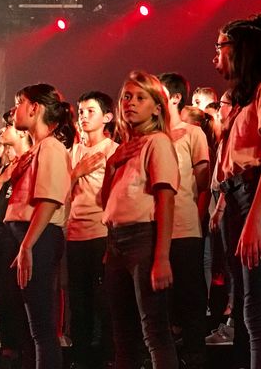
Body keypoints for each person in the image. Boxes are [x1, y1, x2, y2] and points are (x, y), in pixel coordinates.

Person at [212, 12, 261, 369]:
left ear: (240, 50)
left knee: (257, 311)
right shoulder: (240, 99)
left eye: (221, 46)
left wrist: (254, 220)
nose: (216, 55)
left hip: (259, 199)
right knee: (246, 309)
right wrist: (222, 206)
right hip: (236, 199)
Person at [101, 71, 179, 368]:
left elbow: (165, 200)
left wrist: (162, 257)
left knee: (154, 331)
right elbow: (105, 202)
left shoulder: (157, 142)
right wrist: (111, 166)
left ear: (157, 107)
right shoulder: (124, 148)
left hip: (143, 239)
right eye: (126, 96)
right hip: (116, 241)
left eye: (140, 97)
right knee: (122, 335)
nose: (130, 102)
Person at [4, 84, 77, 369]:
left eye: (19, 103)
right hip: (29, 237)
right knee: (29, 326)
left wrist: (27, 245)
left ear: (35, 108)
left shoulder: (51, 148)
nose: (15, 110)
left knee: (41, 327)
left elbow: (49, 201)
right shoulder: (38, 149)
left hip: (38, 238)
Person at [159, 72, 210, 369]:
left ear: (176, 97)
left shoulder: (193, 134)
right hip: (155, 229)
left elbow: (203, 180)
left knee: (189, 297)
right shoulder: (150, 135)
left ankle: (194, 357)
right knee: (159, 302)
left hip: (184, 225)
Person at [67, 91, 118, 368]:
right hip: (74, 233)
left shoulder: (114, 149)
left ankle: (108, 356)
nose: (84, 116)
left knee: (104, 299)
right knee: (79, 300)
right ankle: (81, 356)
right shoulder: (71, 152)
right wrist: (76, 172)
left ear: (107, 117)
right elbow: (57, 190)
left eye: (91, 111)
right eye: (81, 111)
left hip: (102, 233)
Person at [0, 110, 33, 369]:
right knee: (3, 299)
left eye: (9, 126)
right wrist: (1, 180)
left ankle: (21, 352)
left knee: (17, 300)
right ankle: (8, 349)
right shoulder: (2, 168)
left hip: (14, 238)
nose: (3, 130)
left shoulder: (32, 161)